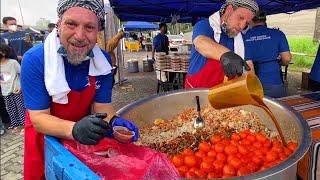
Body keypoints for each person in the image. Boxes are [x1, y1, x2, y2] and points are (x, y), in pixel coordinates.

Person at [20, 1, 139, 179]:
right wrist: (74, 129)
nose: (80, 35)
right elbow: (38, 118)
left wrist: (114, 123)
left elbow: (102, 108)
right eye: (71, 24)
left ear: (98, 31)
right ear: (59, 24)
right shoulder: (35, 60)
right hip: (44, 137)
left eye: (89, 27)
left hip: (83, 138)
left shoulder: (103, 61)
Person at [184, 0, 259, 89]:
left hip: (223, 96)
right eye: (241, 18)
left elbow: (248, 67)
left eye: (246, 23)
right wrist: (226, 55)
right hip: (197, 93)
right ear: (229, 10)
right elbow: (200, 42)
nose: (242, 26)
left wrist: (252, 88)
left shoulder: (242, 40)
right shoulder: (206, 25)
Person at [244, 11, 291, 98]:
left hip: (252, 82)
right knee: (278, 109)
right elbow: (287, 58)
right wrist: (280, 63)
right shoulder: (278, 34)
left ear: (250, 20)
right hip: (274, 80)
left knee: (256, 110)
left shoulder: (243, 37)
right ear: (264, 20)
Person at [0, 43, 25, 130]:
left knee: (20, 108)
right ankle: (15, 124)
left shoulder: (13, 63)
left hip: (16, 90)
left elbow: (23, 74)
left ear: (3, 53)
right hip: (5, 91)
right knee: (10, 109)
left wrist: (21, 86)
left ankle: (24, 125)